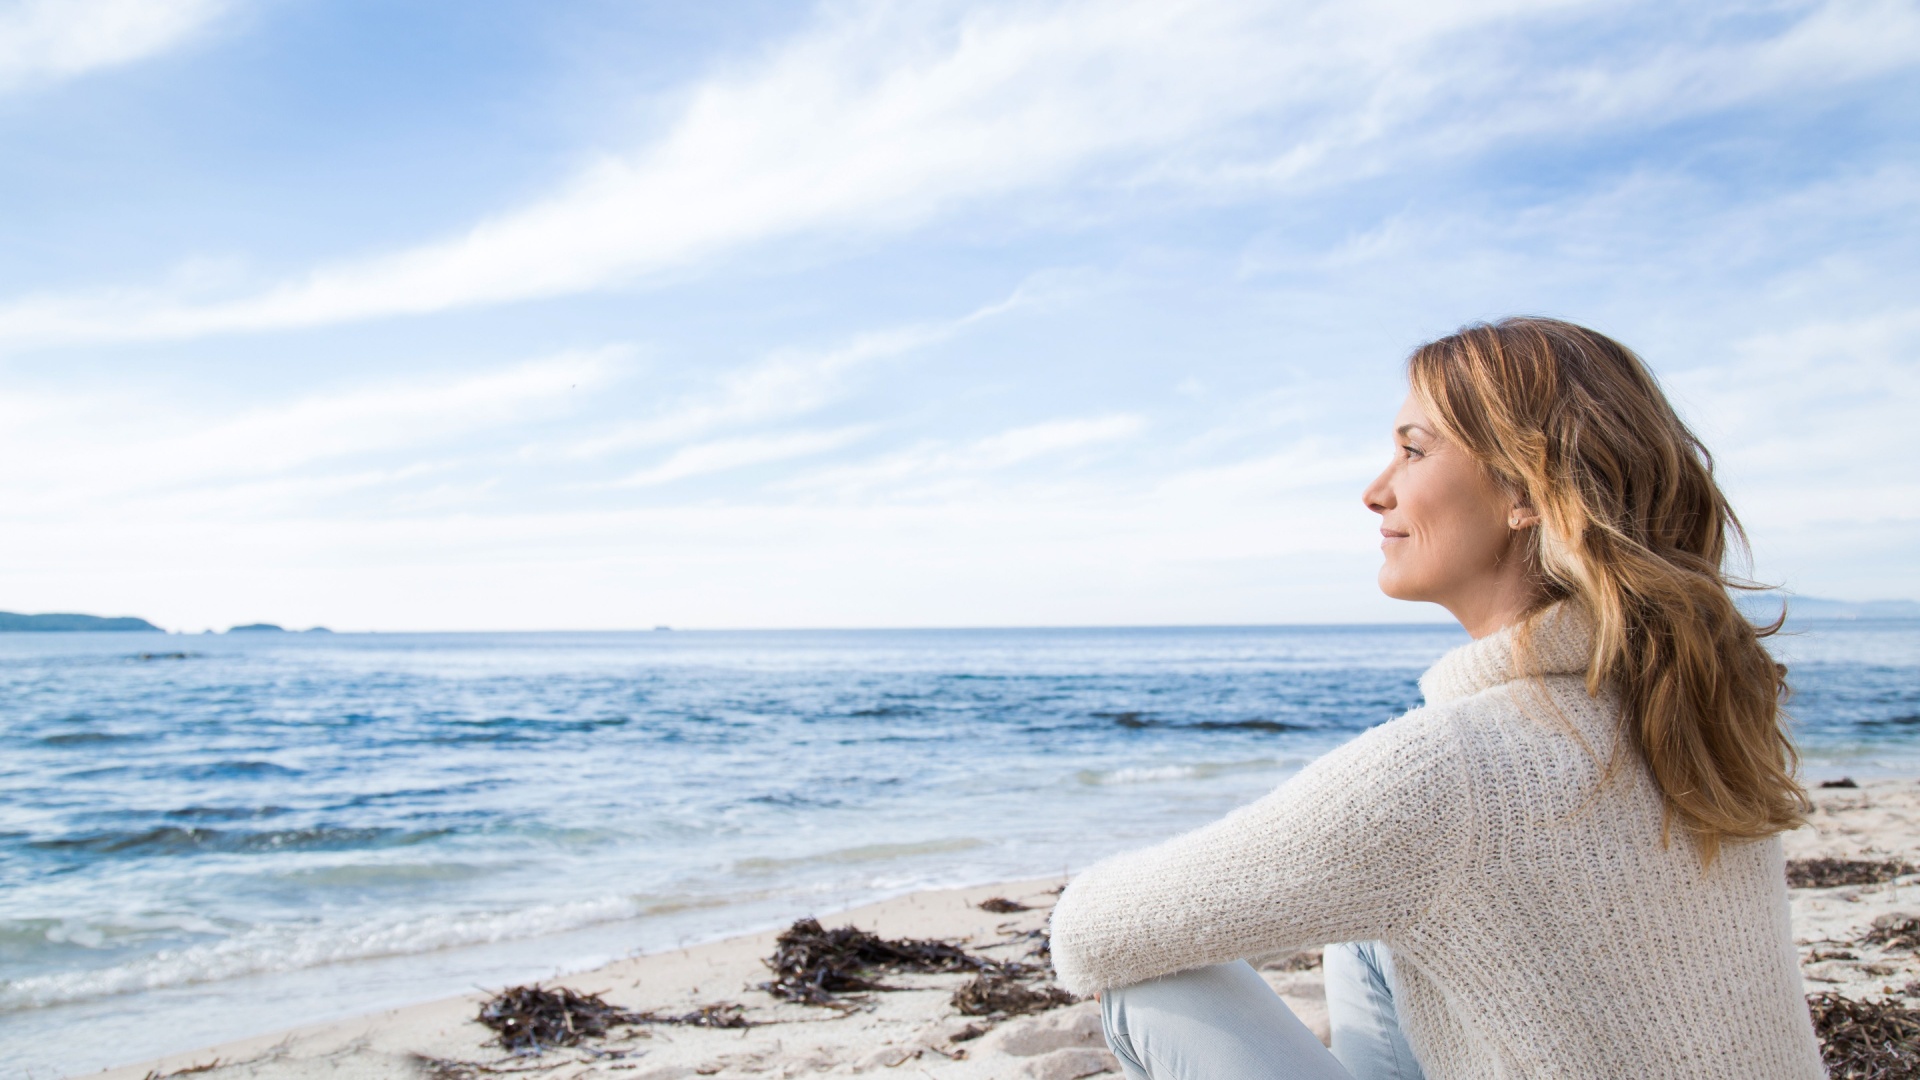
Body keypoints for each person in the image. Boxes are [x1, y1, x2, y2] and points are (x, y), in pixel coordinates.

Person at [1047, 317, 1825, 1079]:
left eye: (1413, 451)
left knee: (1155, 980)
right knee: (1370, 931)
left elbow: (1087, 934)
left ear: (1526, 489)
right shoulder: (1692, 715)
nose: (1374, 491)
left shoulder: (1449, 771)